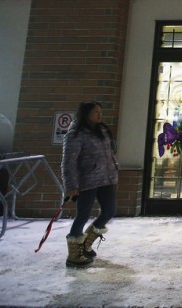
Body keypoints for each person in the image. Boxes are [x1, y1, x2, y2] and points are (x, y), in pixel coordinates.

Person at [61, 101, 119, 268]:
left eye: (101, 112)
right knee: (83, 215)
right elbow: (68, 161)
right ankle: (74, 254)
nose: (99, 115)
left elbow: (110, 154)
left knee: (109, 211)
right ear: (86, 114)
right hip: (87, 181)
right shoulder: (76, 134)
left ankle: (85, 243)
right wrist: (71, 185)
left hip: (106, 179)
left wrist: (115, 168)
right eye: (96, 112)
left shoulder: (102, 130)